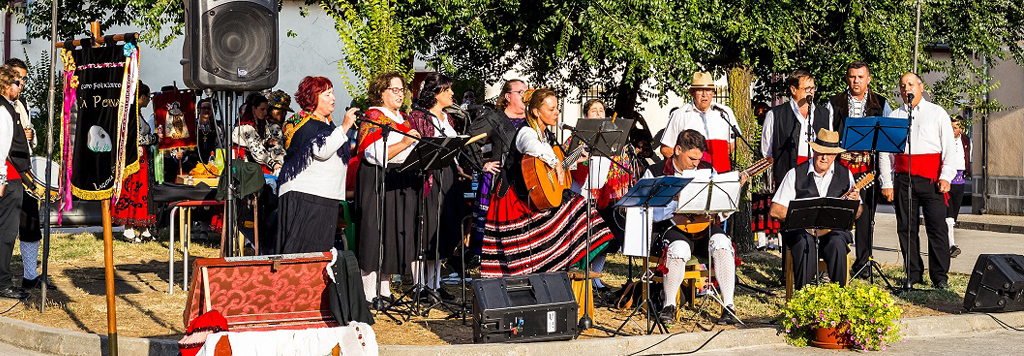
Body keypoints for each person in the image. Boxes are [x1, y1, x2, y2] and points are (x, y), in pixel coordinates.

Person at [479, 88, 614, 278]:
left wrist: (573, 159)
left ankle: (567, 262)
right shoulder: (526, 131)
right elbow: (533, 147)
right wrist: (556, 163)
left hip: (532, 195)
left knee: (579, 205)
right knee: (577, 206)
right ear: (536, 112)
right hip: (514, 199)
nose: (557, 112)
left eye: (557, 108)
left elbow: (555, 164)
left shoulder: (547, 136)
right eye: (551, 109)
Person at [638, 129, 740, 325]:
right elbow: (647, 210)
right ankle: (669, 306)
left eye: (698, 159)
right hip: (671, 227)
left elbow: (720, 204)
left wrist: (726, 200)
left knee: (722, 243)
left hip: (703, 226)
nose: (696, 164)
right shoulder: (655, 172)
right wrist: (677, 207)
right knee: (679, 249)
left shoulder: (707, 170)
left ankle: (728, 307)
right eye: (692, 158)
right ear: (677, 150)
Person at [879, 73, 957, 289]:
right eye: (903, 86)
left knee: (937, 228)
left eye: (911, 84)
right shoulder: (894, 117)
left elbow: (949, 148)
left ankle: (940, 276)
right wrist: (886, 182)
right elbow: (885, 154)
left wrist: (946, 177)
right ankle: (913, 273)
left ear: (921, 87)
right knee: (906, 228)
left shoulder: (936, 112)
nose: (906, 89)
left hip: (932, 180)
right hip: (904, 180)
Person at [355, 72, 421, 304]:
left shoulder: (401, 118)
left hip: (397, 178)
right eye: (394, 89)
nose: (399, 94)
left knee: (390, 235)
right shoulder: (374, 116)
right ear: (381, 92)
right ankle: (368, 293)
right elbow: (373, 154)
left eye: (402, 89)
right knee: (375, 234)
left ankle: (384, 290)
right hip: (376, 179)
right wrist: (404, 142)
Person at [770, 128, 862, 291]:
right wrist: (803, 218)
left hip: (832, 231)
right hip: (802, 231)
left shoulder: (845, 174)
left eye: (830, 153)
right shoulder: (795, 174)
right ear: (813, 150)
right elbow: (775, 210)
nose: (824, 157)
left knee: (837, 242)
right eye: (820, 152)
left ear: (835, 155)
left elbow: (858, 212)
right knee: (804, 242)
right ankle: (803, 301)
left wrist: (854, 204)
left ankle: (840, 299)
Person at [826, 61, 892, 276]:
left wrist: (885, 178)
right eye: (852, 77)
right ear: (847, 78)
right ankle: (834, 260)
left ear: (868, 79)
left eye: (860, 77)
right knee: (838, 213)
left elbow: (886, 140)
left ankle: (863, 263)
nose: (856, 81)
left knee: (865, 217)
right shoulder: (834, 103)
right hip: (840, 165)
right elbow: (827, 134)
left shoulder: (881, 103)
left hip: (867, 167)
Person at [277, 76, 357, 254]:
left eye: (333, 93)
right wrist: (344, 127)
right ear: (313, 97)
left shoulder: (325, 123)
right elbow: (321, 151)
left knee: (319, 253)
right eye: (327, 94)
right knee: (303, 254)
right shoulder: (304, 123)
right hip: (305, 197)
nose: (333, 98)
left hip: (323, 196)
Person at [406, 73, 464, 301]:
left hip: (447, 175)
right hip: (427, 176)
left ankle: (435, 284)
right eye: (447, 89)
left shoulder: (448, 118)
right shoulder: (419, 117)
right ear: (435, 93)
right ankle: (419, 286)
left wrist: (458, 166)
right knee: (426, 229)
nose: (452, 94)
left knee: (441, 230)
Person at [567, 98, 636, 293]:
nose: (598, 114)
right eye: (594, 111)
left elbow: (621, 169)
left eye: (601, 110)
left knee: (609, 238)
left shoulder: (613, 141)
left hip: (605, 197)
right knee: (582, 238)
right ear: (585, 116)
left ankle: (596, 278)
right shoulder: (575, 137)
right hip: (579, 195)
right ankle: (579, 276)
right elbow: (567, 165)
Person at [4, 59, 50, 290]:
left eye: (24, 79)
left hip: (24, 169)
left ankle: (30, 275)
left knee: (30, 222)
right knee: (7, 228)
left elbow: (28, 135)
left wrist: (31, 136)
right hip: (8, 170)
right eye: (18, 79)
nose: (22, 84)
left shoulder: (20, 105)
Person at [761, 70, 831, 189]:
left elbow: (829, 146)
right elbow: (766, 151)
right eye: (807, 89)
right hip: (786, 178)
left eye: (813, 88)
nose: (811, 93)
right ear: (793, 90)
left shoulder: (823, 113)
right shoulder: (775, 115)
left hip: (817, 177)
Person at [659, 72, 741, 173]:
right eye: (700, 90)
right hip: (692, 176)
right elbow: (666, 148)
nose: (704, 95)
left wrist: (718, 158)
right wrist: (688, 164)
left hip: (721, 173)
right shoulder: (680, 114)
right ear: (692, 92)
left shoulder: (725, 112)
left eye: (708, 90)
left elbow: (734, 144)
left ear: (713, 92)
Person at [112, 82, 158, 242]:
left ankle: (143, 229)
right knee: (133, 192)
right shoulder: (131, 114)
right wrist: (154, 138)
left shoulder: (134, 113)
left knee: (141, 192)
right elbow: (135, 138)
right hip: (134, 159)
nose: (149, 100)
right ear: (142, 97)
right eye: (148, 97)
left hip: (140, 160)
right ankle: (129, 229)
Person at [0, 66, 29, 299]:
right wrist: (1, 178)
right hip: (7, 177)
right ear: (7, 85)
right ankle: (2, 282)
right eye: (18, 83)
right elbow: (1, 147)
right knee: (6, 233)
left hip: (11, 176)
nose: (21, 87)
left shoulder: (8, 107)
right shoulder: (3, 109)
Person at [947, 115, 970, 258]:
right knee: (948, 217)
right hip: (946, 181)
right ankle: (951, 245)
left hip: (959, 181)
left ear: (960, 129)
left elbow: (967, 156)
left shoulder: (966, 140)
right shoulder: (944, 140)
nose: (952, 130)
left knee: (953, 217)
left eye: (955, 127)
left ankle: (945, 242)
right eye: (951, 127)